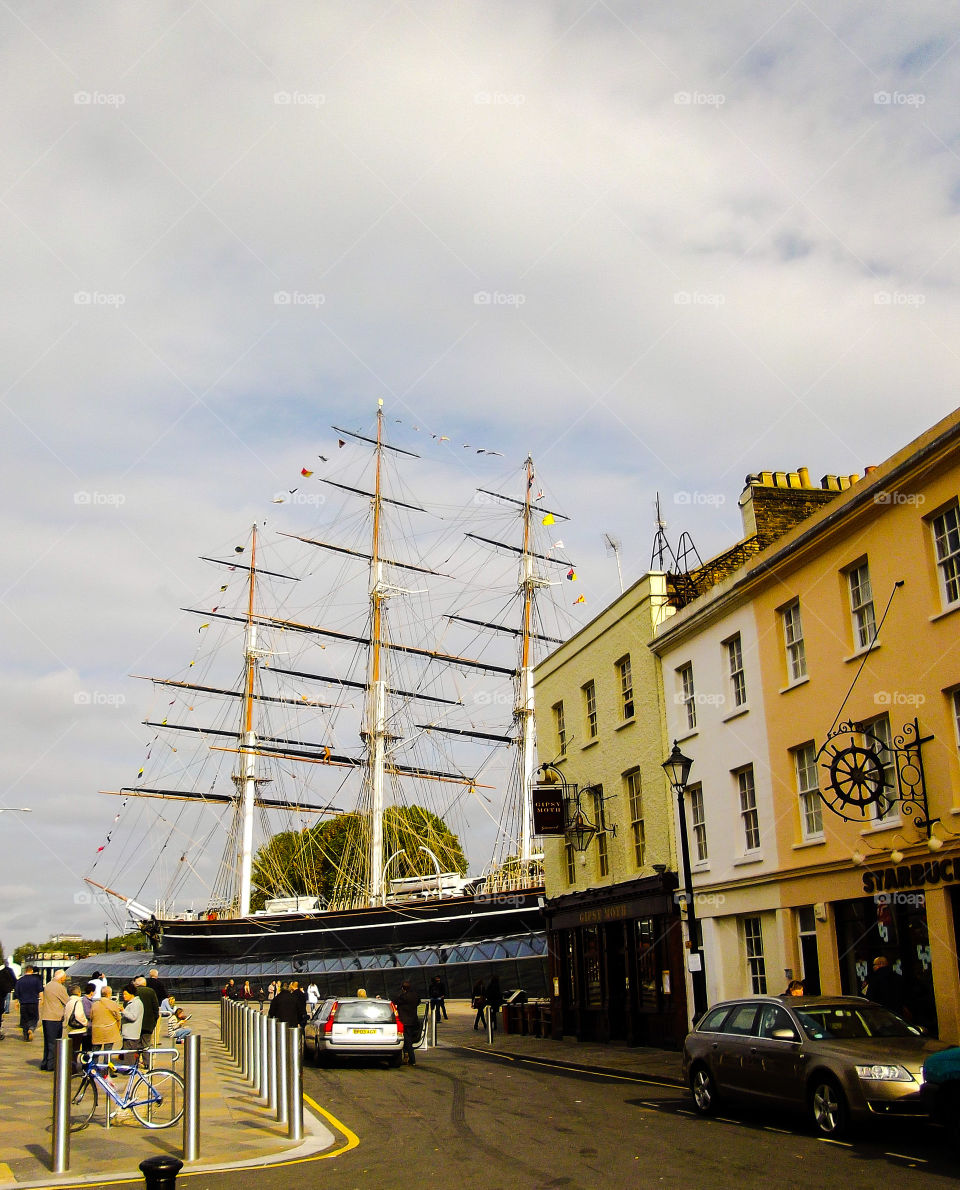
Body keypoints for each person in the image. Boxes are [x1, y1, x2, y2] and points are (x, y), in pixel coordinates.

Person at [39, 969, 69, 1071]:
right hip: (55, 1017)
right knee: (54, 1043)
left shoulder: (48, 985)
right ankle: (51, 1065)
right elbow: (67, 1001)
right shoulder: (59, 987)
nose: (65, 979)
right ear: (61, 978)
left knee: (47, 1042)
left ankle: (45, 1062)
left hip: (46, 1016)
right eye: (64, 977)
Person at [62, 983, 89, 1070]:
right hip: (78, 1030)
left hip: (70, 1029)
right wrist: (85, 1023)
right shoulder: (78, 1002)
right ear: (78, 992)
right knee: (76, 1050)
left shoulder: (69, 1002)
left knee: (72, 1049)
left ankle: (70, 1066)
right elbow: (78, 1015)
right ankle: (73, 1067)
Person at [394, 980, 421, 1066]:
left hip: (404, 1021)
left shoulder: (403, 997)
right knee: (408, 1039)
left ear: (403, 988)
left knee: (407, 1041)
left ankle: (412, 1059)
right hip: (413, 1021)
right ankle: (406, 1056)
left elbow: (394, 1001)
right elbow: (418, 1002)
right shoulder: (415, 996)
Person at [89, 985, 123, 1052]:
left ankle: (94, 1062)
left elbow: (91, 1017)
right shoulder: (113, 1004)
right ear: (109, 994)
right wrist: (118, 1028)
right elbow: (118, 1017)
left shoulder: (94, 1004)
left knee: (95, 1051)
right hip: (110, 1030)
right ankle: (106, 1062)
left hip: (97, 1031)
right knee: (108, 1051)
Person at [14, 965, 43, 1042]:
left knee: (24, 1019)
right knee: (34, 1017)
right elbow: (40, 991)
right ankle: (31, 1028)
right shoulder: (36, 980)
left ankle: (26, 1035)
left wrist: (16, 1003)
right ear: (32, 971)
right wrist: (42, 1000)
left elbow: (16, 993)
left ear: (25, 971)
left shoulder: (20, 980)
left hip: (23, 1003)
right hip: (33, 1002)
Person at [134, 975, 160, 1049]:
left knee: (135, 1045)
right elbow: (155, 1007)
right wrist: (154, 1021)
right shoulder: (151, 991)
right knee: (146, 1045)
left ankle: (136, 1060)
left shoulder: (133, 991)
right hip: (148, 1024)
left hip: (135, 1024)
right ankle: (147, 1060)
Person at [120, 983, 144, 1063]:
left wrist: (123, 1011)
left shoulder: (136, 1003)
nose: (124, 996)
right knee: (129, 1054)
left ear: (131, 994)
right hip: (130, 1033)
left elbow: (133, 1017)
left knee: (129, 1055)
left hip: (131, 1034)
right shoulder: (132, 1003)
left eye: (125, 994)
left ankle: (129, 1070)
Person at [0, 960, 16, 1040]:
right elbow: (14, 980)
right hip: (5, 993)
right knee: (7, 1002)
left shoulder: (1, 972)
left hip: (2, 993)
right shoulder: (10, 971)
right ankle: (6, 1009)